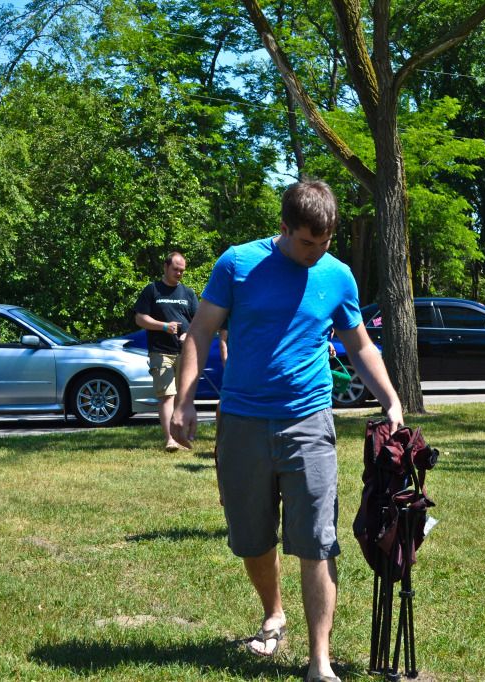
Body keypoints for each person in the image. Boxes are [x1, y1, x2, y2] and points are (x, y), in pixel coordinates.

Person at [171, 179, 403, 682]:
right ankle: (273, 610)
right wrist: (185, 401)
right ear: (283, 227)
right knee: (251, 538)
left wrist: (390, 397)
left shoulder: (337, 276)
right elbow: (202, 330)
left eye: (325, 243)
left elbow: (359, 344)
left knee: (318, 540)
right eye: (307, 243)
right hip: (243, 422)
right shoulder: (238, 263)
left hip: (309, 422)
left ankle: (319, 661)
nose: (316, 252)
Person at [134, 251, 199, 451]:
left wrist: (188, 335)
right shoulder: (152, 290)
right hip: (160, 351)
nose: (179, 273)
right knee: (167, 395)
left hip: (185, 352)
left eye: (182, 270)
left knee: (184, 396)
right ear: (165, 267)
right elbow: (140, 318)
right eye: (176, 269)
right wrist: (163, 326)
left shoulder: (188, 293)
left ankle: (185, 437)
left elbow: (197, 322)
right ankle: (170, 439)